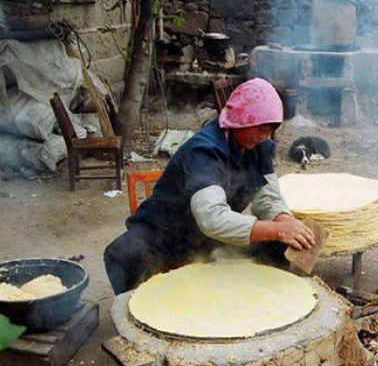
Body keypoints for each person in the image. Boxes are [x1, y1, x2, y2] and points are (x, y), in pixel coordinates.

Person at [104, 78, 315, 295]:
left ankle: (265, 300)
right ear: (240, 119)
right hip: (166, 232)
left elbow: (267, 197)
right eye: (260, 127)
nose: (264, 135)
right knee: (124, 254)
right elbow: (212, 218)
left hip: (205, 236)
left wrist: (284, 220)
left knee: (280, 242)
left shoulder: (259, 147)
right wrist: (275, 229)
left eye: (270, 129)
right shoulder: (204, 152)